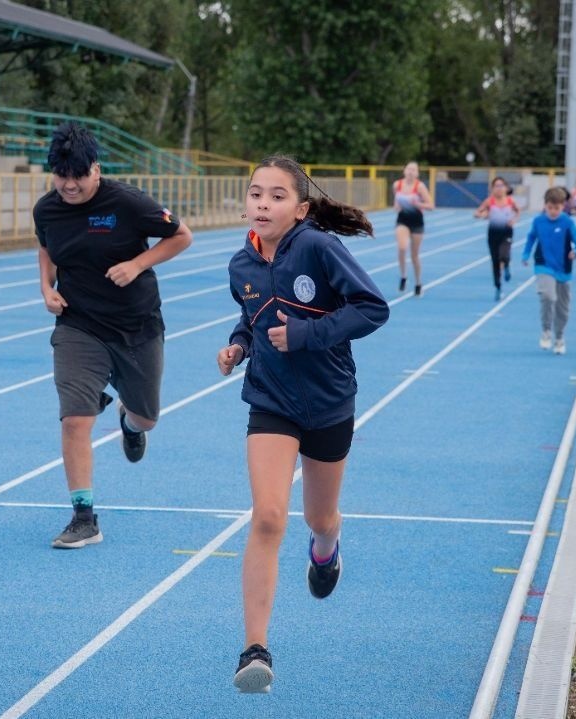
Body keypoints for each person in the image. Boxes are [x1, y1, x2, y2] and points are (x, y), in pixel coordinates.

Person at [216, 155, 389, 694]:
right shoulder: (239, 265)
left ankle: (327, 546)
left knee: (320, 515)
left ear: (301, 208)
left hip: (330, 402)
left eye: (276, 196)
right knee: (268, 517)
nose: (263, 204)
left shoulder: (318, 247)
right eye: (255, 194)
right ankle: (254, 650)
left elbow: (372, 308)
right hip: (271, 400)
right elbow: (254, 315)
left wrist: (308, 335)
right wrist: (240, 345)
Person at [33, 122, 193, 549]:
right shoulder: (47, 209)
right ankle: (84, 516)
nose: (69, 185)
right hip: (78, 324)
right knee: (74, 418)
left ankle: (128, 420)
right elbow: (46, 247)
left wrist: (137, 264)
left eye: (78, 177)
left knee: (147, 416)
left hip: (136, 325)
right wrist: (47, 289)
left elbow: (181, 236)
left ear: (96, 170)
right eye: (61, 176)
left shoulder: (127, 202)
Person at [522, 187, 576, 355]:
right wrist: (526, 254)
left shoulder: (567, 222)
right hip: (543, 265)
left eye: (557, 208)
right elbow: (531, 238)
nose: (553, 212)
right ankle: (546, 330)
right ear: (545, 205)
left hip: (563, 268)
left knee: (563, 308)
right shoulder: (538, 221)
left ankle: (559, 337)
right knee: (548, 296)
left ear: (563, 206)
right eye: (550, 207)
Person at [474, 176, 521, 301]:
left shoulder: (510, 201)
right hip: (493, 233)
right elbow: (477, 213)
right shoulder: (489, 201)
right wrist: (483, 214)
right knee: (495, 261)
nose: (499, 189)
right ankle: (498, 286)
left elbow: (518, 212)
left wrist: (514, 220)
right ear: (492, 189)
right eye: (496, 186)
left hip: (506, 232)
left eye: (501, 186)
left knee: (504, 255)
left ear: (506, 188)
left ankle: (506, 265)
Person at [391, 161, 434, 296]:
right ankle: (403, 276)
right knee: (402, 247)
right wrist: (396, 205)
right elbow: (396, 200)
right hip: (402, 220)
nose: (410, 172)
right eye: (409, 169)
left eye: (414, 170)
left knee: (414, 255)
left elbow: (431, 205)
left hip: (417, 222)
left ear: (417, 173)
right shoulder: (397, 185)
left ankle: (418, 282)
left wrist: (418, 204)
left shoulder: (420, 187)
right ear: (404, 171)